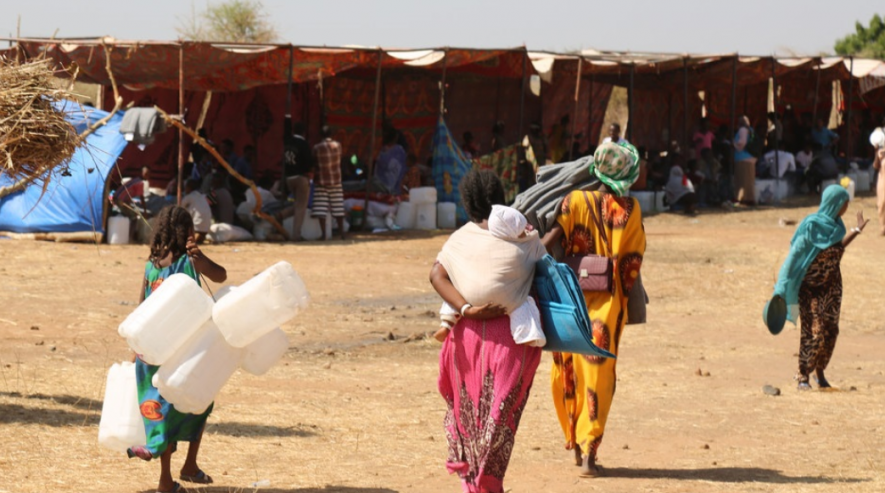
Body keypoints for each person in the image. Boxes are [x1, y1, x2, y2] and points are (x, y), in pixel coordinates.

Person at [431, 169, 546, 493]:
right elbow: (545, 262)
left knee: (470, 419)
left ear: (467, 202)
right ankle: (486, 486)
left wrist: (467, 309)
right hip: (510, 339)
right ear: (500, 198)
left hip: (465, 339)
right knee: (499, 419)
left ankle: (476, 486)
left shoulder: (460, 238)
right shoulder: (521, 235)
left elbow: (436, 274)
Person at [541, 142, 646, 477]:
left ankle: (573, 439)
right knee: (599, 379)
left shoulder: (574, 201)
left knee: (568, 369)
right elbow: (631, 263)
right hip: (607, 308)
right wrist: (623, 302)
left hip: (570, 303)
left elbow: (551, 241)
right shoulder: (630, 209)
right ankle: (590, 452)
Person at [128, 205, 227, 493]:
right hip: (184, 349)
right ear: (188, 233)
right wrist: (200, 255)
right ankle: (184, 469)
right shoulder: (188, 261)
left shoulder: (151, 266)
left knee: (161, 410)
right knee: (199, 401)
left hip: (150, 350)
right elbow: (220, 276)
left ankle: (170, 475)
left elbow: (141, 306)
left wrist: (135, 347)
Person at [771, 186, 867, 389]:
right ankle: (802, 375)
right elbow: (794, 257)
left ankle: (820, 372)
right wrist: (781, 285)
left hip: (832, 288)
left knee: (831, 330)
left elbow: (838, 246)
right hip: (810, 289)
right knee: (814, 330)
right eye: (844, 202)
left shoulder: (837, 225)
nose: (847, 206)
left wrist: (856, 230)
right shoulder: (811, 226)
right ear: (835, 203)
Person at [434, 205, 545, 348]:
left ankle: (446, 324)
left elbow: (437, 274)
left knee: (456, 288)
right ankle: (527, 334)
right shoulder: (523, 247)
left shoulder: (476, 241)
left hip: (469, 299)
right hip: (505, 301)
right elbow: (543, 256)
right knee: (523, 303)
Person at [282, 116, 313, 241]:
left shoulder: (288, 141)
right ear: (304, 132)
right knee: (301, 207)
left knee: (297, 204)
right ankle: (296, 235)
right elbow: (308, 164)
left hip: (289, 178)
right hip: (300, 178)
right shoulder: (304, 144)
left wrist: (287, 119)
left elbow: (286, 130)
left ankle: (280, 215)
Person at [313, 125, 346, 240]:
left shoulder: (316, 147)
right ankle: (342, 233)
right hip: (336, 180)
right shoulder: (338, 146)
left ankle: (323, 235)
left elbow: (314, 162)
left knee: (320, 209)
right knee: (338, 208)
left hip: (321, 181)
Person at [375, 127, 408, 194]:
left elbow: (391, 165)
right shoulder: (384, 150)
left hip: (391, 187)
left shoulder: (398, 150)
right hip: (381, 186)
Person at [733, 115, 757, 206]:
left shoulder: (743, 130)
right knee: (749, 180)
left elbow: (741, 142)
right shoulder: (751, 130)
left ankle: (745, 199)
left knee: (743, 180)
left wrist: (733, 144)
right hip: (750, 158)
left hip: (743, 158)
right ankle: (748, 198)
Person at [181, 179, 212, 244]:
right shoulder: (203, 197)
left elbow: (180, 207)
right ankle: (199, 236)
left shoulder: (189, 197)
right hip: (206, 228)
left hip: (196, 227)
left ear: (189, 187)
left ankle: (194, 235)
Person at [874, 144, 885, 235]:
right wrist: (877, 155)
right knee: (881, 205)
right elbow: (875, 166)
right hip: (882, 181)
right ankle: (882, 227)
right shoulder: (881, 153)